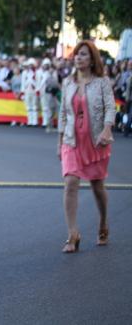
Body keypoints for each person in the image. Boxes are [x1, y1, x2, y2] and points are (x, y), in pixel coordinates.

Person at [57, 40, 115, 253]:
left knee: (97, 187)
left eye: (83, 55)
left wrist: (107, 129)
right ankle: (72, 234)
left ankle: (103, 223)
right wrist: (59, 141)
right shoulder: (68, 83)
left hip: (95, 141)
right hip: (71, 140)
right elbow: (63, 114)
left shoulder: (102, 82)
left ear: (92, 60)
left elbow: (110, 108)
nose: (78, 57)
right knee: (70, 182)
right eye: (77, 54)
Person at [21, 58, 38, 126]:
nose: (30, 66)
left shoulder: (36, 72)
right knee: (28, 107)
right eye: (29, 65)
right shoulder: (25, 73)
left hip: (34, 90)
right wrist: (22, 92)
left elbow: (38, 82)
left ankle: (35, 121)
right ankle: (30, 121)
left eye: (32, 65)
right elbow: (23, 83)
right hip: (27, 90)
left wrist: (37, 90)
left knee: (34, 106)